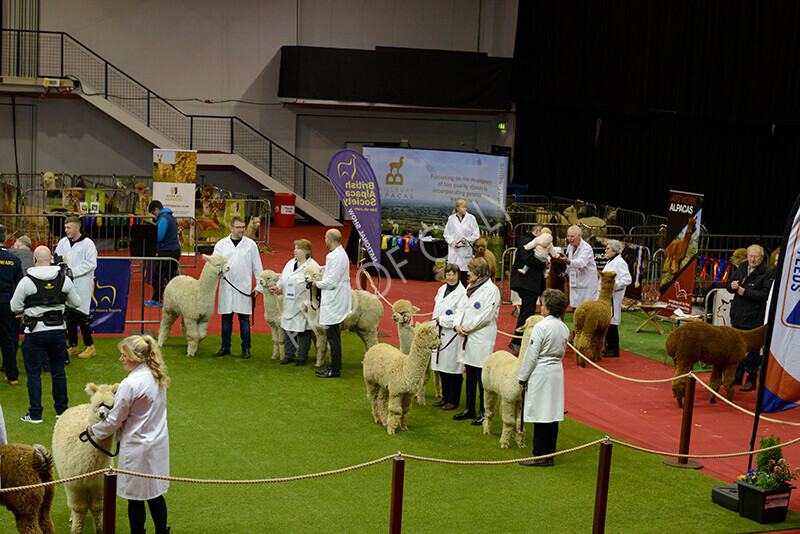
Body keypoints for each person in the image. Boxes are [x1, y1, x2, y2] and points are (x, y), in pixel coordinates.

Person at [88, 335, 170, 534]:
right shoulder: (156, 375)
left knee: (136, 497)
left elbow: (115, 419)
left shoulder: (130, 384)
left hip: (137, 447)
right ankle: (161, 531)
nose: (121, 359)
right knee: (155, 493)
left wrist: (93, 430)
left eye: (124, 355)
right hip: (157, 442)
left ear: (138, 356)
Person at [11, 246, 81, 423]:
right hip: (58, 330)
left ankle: (35, 414)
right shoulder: (63, 279)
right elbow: (76, 303)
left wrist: (26, 310)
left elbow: (14, 307)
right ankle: (62, 411)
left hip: (35, 331)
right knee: (58, 372)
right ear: (51, 258)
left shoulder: (27, 281)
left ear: (34, 260)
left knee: (33, 373)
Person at [518, 288, 570, 467]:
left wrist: (522, 377)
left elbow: (532, 355)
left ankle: (539, 454)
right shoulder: (563, 327)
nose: (540, 307)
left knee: (541, 413)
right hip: (556, 372)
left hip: (542, 371)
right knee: (552, 413)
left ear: (548, 308)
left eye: (543, 305)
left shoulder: (541, 327)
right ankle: (549, 454)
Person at [452, 257, 500, 425]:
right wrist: (457, 324)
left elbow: (485, 317)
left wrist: (466, 327)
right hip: (467, 336)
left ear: (479, 272)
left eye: (471, 270)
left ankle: (483, 411)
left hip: (481, 337)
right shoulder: (471, 288)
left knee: (481, 377)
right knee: (470, 374)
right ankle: (470, 408)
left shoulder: (492, 290)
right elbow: (460, 308)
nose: (468, 273)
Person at [213, 216, 264, 359]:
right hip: (227, 286)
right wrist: (218, 271)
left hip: (244, 287)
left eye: (243, 227)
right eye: (238, 227)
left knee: (244, 320)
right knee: (226, 318)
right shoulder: (221, 245)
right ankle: (225, 347)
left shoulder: (251, 245)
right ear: (231, 228)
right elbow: (214, 263)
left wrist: (259, 287)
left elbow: (257, 267)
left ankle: (246, 348)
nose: (242, 230)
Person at [727, 244, 774, 391]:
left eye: (756, 257)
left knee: (753, 352)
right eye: (750, 256)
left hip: (754, 317)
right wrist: (731, 286)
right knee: (736, 350)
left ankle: (751, 379)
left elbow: (764, 295)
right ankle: (737, 376)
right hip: (737, 315)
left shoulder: (767, 273)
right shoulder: (741, 268)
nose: (752, 260)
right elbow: (728, 284)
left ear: (761, 258)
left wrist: (745, 292)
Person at [55, 216, 97, 360]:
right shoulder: (62, 242)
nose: (66, 230)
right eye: (65, 227)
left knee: (82, 315)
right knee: (68, 314)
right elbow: (57, 258)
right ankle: (73, 345)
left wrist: (71, 271)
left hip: (82, 284)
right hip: (66, 283)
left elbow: (91, 264)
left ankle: (90, 346)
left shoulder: (88, 244)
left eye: (68, 228)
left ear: (77, 228)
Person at [272, 239, 318, 366]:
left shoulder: (313, 266)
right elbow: (283, 278)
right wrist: (277, 286)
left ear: (306, 251)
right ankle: (289, 355)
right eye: (295, 248)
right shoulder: (290, 263)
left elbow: (316, 288)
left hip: (302, 304)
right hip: (289, 302)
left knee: (303, 331)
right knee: (288, 329)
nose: (295, 250)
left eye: (298, 248)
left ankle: (302, 357)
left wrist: (308, 303)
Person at [314, 229, 352, 378]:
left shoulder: (336, 257)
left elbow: (331, 282)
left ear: (329, 240)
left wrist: (317, 283)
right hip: (335, 298)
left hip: (334, 300)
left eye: (325, 238)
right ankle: (334, 366)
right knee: (333, 336)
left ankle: (334, 368)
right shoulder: (338, 255)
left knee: (333, 337)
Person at [431, 263, 467, 410]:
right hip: (439, 333)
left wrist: (443, 320)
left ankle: (453, 400)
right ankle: (445, 398)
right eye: (449, 275)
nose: (451, 278)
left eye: (454, 275)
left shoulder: (463, 293)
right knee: (442, 369)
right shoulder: (441, 289)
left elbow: (460, 316)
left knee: (453, 370)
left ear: (459, 276)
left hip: (452, 334)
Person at [508, 225, 547, 353]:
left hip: (529, 282)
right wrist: (544, 263)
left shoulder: (530, 241)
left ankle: (519, 340)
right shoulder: (526, 241)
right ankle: (517, 340)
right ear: (537, 232)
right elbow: (528, 259)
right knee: (527, 310)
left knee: (528, 310)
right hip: (526, 282)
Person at [600, 240, 632, 358]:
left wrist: (613, 284)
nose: (605, 250)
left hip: (614, 296)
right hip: (607, 296)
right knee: (607, 321)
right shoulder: (611, 261)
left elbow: (627, 279)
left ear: (614, 250)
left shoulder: (620, 263)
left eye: (608, 248)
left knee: (612, 322)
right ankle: (609, 347)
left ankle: (614, 348)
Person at [146, 200, 181, 307]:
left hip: (166, 251)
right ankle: (178, 299)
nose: (154, 216)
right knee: (171, 276)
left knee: (158, 276)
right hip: (175, 250)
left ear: (156, 209)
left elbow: (159, 236)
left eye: (153, 213)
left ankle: (156, 299)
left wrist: (151, 238)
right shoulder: (170, 217)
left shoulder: (163, 219)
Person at [0, 225, 23, 386]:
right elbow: (21, 285)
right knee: (7, 339)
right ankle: (12, 376)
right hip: (5, 303)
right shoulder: (14, 260)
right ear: (6, 238)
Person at [443, 198, 480, 287]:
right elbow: (446, 234)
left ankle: (463, 294)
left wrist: (466, 240)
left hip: (465, 250)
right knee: (453, 273)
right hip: (454, 250)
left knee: (463, 275)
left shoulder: (471, 218)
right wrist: (452, 242)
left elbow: (476, 234)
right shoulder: (451, 219)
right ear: (457, 208)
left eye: (466, 207)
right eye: (463, 207)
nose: (465, 209)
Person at [563, 225, 598, 310]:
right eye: (568, 236)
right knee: (575, 309)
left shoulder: (586, 248)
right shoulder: (570, 247)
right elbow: (570, 262)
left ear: (579, 236)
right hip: (575, 282)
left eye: (572, 236)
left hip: (586, 284)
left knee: (586, 310)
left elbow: (581, 263)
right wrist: (565, 272)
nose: (569, 239)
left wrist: (568, 261)